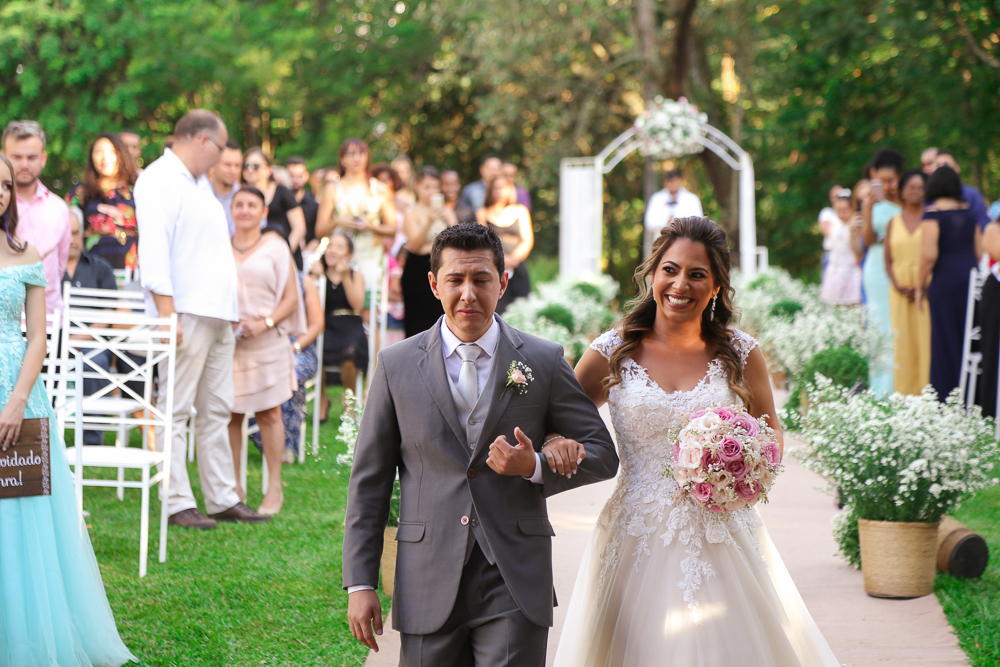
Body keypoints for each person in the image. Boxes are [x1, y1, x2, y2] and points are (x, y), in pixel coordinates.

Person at [553, 216, 840, 666]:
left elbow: (771, 431)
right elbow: (562, 416)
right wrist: (555, 442)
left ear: (717, 287)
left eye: (696, 274)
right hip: (636, 532)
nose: (679, 283)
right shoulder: (613, 349)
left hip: (721, 528)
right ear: (652, 274)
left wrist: (746, 465)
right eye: (670, 269)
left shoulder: (741, 352)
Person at [342, 222, 619, 665]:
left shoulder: (542, 360)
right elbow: (369, 482)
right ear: (434, 284)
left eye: (481, 279)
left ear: (503, 282)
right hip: (426, 575)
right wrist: (361, 583)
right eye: (455, 279)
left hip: (513, 575)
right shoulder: (395, 365)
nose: (468, 293)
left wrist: (535, 466)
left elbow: (603, 455)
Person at [0, 152, 137, 667]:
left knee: (20, 506)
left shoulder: (26, 253)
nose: (1, 193)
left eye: (7, 186)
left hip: (19, 391)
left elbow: (40, 335)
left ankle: (28, 634)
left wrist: (16, 403)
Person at [135, 109, 271, 529]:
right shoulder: (158, 179)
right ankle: (177, 502)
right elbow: (154, 250)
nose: (220, 161)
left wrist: (231, 310)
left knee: (215, 407)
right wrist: (166, 313)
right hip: (184, 311)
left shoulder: (199, 186)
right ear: (201, 141)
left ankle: (221, 497)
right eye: (219, 149)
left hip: (217, 314)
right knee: (175, 408)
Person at [227, 187, 306, 515]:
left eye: (252, 205)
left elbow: (291, 297)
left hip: (268, 339)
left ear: (263, 211)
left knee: (270, 414)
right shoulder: (219, 246)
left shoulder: (276, 247)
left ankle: (274, 487)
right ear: (231, 210)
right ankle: (232, 487)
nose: (245, 210)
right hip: (230, 343)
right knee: (230, 416)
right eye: (239, 204)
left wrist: (266, 322)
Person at [918, 166, 982, 402]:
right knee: (968, 338)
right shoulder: (969, 214)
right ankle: (970, 397)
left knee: (944, 341)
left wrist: (919, 285)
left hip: (944, 283)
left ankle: (946, 398)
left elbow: (928, 256)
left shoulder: (932, 215)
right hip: (970, 281)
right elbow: (979, 250)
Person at [249, 270, 324, 463]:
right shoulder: (257, 277)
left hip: (299, 348)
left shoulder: (303, 281)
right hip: (263, 347)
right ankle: (265, 439)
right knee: (251, 375)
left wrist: (294, 347)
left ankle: (286, 444)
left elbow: (317, 324)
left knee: (290, 373)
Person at [2, 120, 71, 315]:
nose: (24, 164)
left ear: (43, 158)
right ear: (3, 157)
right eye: (17, 157)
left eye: (31, 157)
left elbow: (59, 267)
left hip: (49, 318)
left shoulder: (58, 208)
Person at [63, 206, 119, 445]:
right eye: (67, 233)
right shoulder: (45, 268)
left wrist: (75, 341)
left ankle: (92, 437)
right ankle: (41, 433)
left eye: (76, 233)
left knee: (95, 361)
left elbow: (109, 313)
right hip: (50, 341)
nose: (72, 239)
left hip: (91, 344)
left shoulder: (100, 268)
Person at [315, 139, 397, 288]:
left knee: (368, 306)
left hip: (370, 257)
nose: (356, 158)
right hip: (340, 258)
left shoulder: (380, 189)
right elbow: (320, 230)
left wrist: (370, 227)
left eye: (361, 153)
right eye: (351, 153)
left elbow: (392, 229)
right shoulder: (332, 189)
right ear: (342, 159)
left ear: (367, 157)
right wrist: (338, 221)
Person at [860, 148, 904, 396]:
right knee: (880, 326)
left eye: (892, 180)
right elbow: (866, 241)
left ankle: (902, 382)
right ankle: (880, 389)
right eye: (882, 181)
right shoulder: (873, 204)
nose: (887, 186)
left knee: (898, 326)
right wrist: (867, 208)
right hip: (876, 269)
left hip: (901, 267)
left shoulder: (908, 201)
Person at [884, 170, 930, 395]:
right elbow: (887, 259)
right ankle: (903, 396)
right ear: (902, 191)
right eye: (911, 187)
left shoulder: (932, 218)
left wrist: (923, 286)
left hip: (927, 289)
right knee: (902, 345)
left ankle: (927, 394)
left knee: (926, 341)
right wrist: (898, 285)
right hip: (899, 290)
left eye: (921, 187)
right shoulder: (894, 222)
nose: (916, 191)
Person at [66, 133, 140, 270]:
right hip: (90, 270)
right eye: (99, 152)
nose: (105, 158)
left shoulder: (138, 189)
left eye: (111, 152)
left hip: (131, 269)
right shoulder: (80, 192)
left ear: (121, 155)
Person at [316, 233, 368, 421]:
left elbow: (357, 305)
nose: (333, 250)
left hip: (350, 323)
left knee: (350, 352)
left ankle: (349, 400)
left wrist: (345, 276)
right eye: (330, 246)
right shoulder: (318, 274)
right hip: (326, 324)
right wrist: (316, 279)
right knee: (316, 351)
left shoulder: (355, 274)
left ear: (349, 255)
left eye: (339, 247)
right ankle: (322, 399)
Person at [402, 167, 458, 337]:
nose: (432, 192)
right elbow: (415, 244)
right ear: (417, 186)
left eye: (435, 187)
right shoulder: (411, 213)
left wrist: (449, 220)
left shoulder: (447, 212)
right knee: (418, 323)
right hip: (417, 269)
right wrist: (429, 221)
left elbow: (457, 241)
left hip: (442, 267)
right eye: (427, 187)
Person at [476, 175, 534, 314]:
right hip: (495, 268)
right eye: (496, 187)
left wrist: (514, 259)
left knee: (522, 308)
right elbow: (483, 243)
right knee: (497, 309)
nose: (499, 191)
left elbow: (527, 240)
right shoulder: (483, 212)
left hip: (518, 268)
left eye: (503, 187)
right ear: (490, 190)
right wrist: (502, 261)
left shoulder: (520, 210)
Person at [242, 147, 307, 270]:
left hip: (286, 260)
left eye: (255, 166)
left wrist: (284, 253)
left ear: (268, 170)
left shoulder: (282, 192)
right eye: (246, 166)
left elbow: (299, 228)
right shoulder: (240, 195)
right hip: (255, 261)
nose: (250, 170)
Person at [643, 169, 704, 257]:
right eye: (670, 181)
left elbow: (699, 222)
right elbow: (649, 223)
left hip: (686, 246)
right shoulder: (657, 199)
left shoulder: (691, 199)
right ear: (665, 183)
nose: (673, 184)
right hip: (662, 246)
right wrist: (666, 222)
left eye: (676, 181)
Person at [818, 189, 862, 304]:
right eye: (838, 211)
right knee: (835, 303)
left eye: (845, 210)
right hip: (835, 269)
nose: (842, 214)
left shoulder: (857, 223)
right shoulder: (834, 224)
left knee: (853, 303)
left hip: (852, 269)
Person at [933, 150, 991, 229]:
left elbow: (983, 225)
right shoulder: (928, 198)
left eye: (946, 165)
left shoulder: (972, 195)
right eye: (938, 166)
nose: (942, 170)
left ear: (957, 169)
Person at [286, 156, 320, 252]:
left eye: (299, 176)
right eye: (291, 176)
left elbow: (317, 236)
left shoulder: (314, 205)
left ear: (306, 176)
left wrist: (305, 255)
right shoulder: (279, 203)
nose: (295, 180)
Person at [211, 141, 243, 237]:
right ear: (214, 164)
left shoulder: (245, 196)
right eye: (227, 165)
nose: (233, 171)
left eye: (237, 166)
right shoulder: (200, 194)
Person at [817, 183, 843, 276]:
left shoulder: (850, 213)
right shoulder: (827, 212)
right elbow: (825, 230)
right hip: (831, 253)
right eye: (834, 196)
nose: (836, 198)